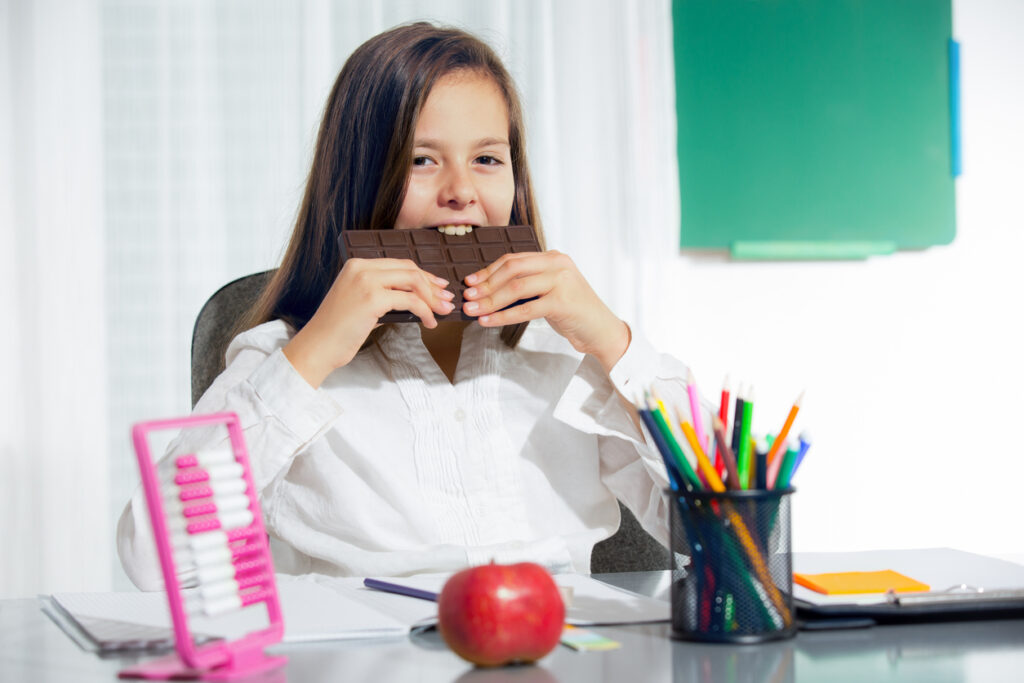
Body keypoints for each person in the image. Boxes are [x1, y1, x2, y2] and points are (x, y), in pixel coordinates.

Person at [118, 22, 693, 591]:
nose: (461, 191)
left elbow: (729, 534)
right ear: (359, 179)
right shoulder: (284, 358)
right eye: (422, 160)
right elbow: (155, 560)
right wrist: (310, 357)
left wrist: (613, 343)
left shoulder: (568, 358)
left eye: (488, 159)